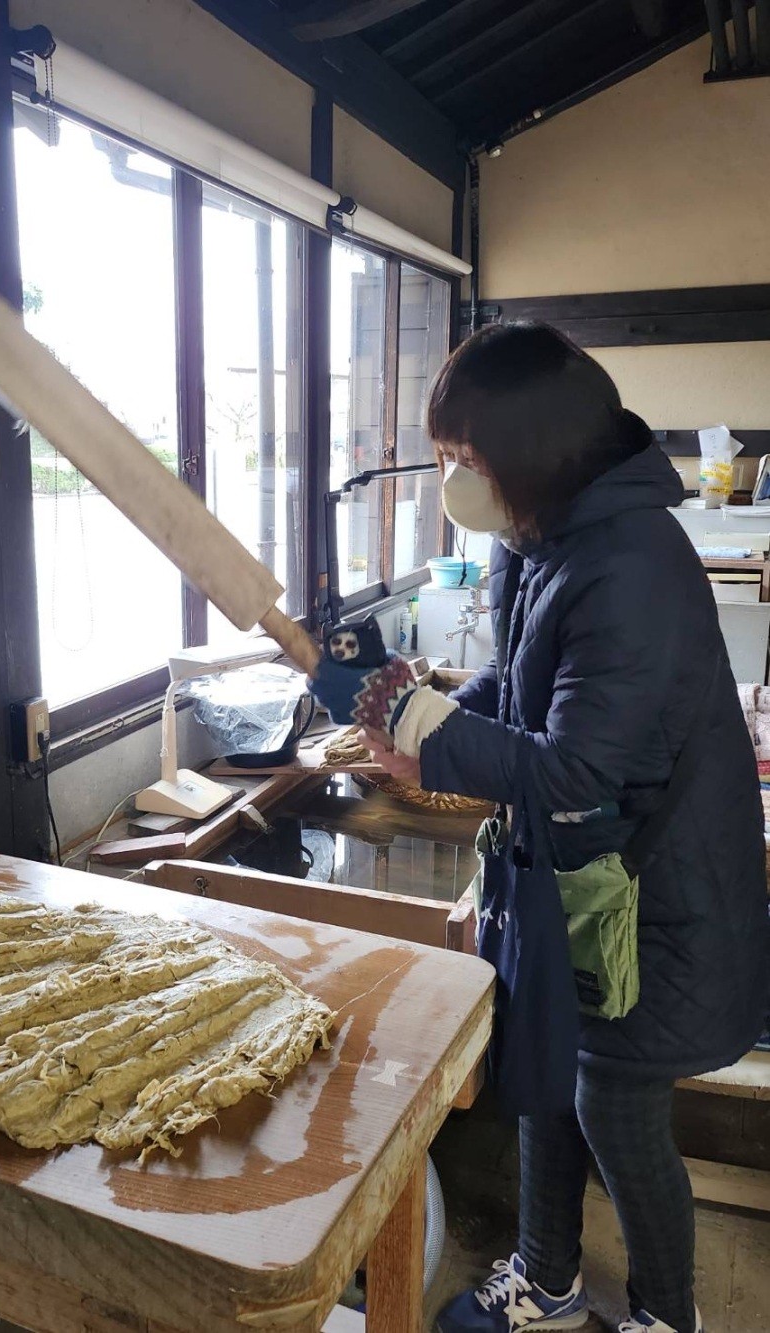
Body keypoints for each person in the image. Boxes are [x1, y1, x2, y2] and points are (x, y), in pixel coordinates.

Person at [311, 323, 769, 1333]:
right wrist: (429, 717)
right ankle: (548, 1280)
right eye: (447, 457)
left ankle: (663, 1315)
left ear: (535, 451)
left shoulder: (630, 563)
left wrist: (437, 742)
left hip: (659, 896)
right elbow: (515, 685)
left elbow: (575, 763)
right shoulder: (540, 534)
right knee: (545, 1073)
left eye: (468, 459)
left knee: (615, 1105)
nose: (454, 482)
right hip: (578, 877)